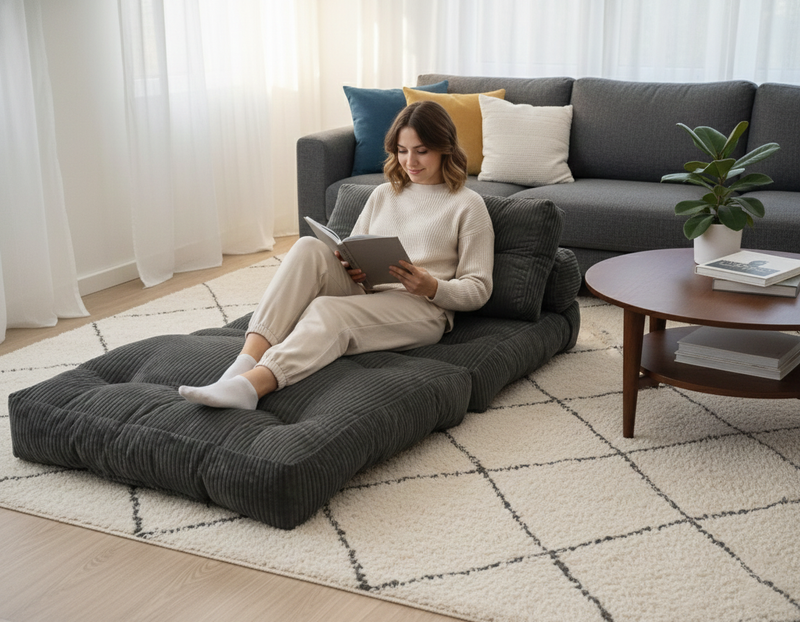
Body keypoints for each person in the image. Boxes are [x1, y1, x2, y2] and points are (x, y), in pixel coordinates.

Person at [179, 100, 495, 410]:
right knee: (307, 248)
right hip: (369, 291)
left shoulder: (468, 205)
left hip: (423, 309)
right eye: (401, 150)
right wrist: (350, 267)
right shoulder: (385, 193)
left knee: (327, 311)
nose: (409, 161)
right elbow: (353, 246)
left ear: (445, 148)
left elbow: (479, 289)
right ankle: (244, 361)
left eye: (421, 151)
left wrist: (432, 287)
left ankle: (252, 386)